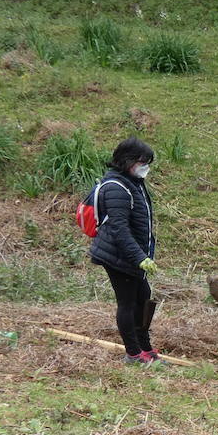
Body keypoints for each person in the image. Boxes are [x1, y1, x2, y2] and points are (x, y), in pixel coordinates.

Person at [89, 137, 160, 364]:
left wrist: (144, 255)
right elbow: (119, 230)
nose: (145, 167)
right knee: (128, 303)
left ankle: (145, 347)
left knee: (144, 297)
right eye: (142, 162)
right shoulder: (116, 187)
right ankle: (133, 353)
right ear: (128, 161)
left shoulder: (133, 182)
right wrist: (140, 258)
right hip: (118, 256)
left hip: (133, 254)